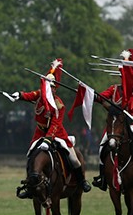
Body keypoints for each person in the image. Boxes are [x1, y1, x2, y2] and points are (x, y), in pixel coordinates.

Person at [13, 59, 91, 193]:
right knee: (31, 155)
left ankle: (81, 181)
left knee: (74, 159)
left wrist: (48, 140)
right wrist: (18, 95)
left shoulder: (59, 105)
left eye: (52, 87)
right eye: (47, 86)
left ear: (55, 88)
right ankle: (30, 185)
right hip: (40, 132)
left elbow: (55, 124)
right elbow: (29, 95)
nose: (49, 89)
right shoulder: (39, 95)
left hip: (57, 134)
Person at [92, 49, 133, 190]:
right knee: (102, 147)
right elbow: (101, 97)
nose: (124, 78)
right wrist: (92, 94)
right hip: (116, 126)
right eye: (122, 75)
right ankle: (102, 177)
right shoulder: (114, 89)